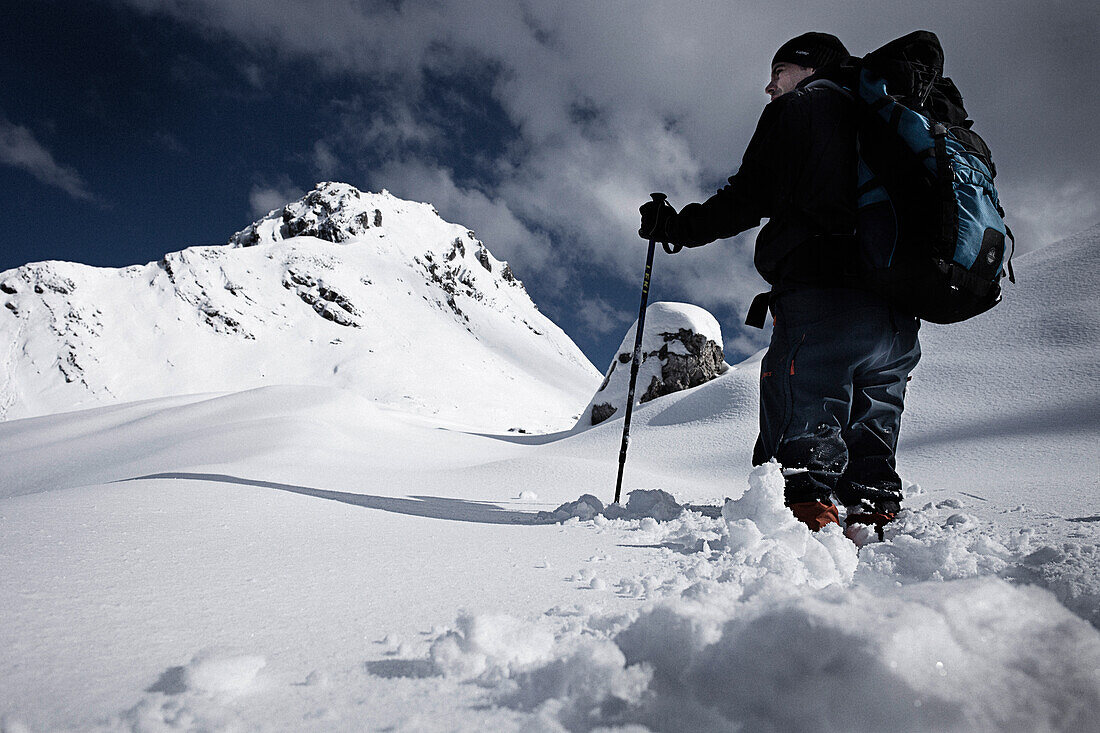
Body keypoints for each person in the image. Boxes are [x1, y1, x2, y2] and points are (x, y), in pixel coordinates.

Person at [638, 32, 921, 539]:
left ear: (810, 69)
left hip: (824, 291)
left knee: (805, 399)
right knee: (876, 405)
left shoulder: (806, 106)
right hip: (899, 305)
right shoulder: (887, 116)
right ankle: (875, 514)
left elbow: (749, 195)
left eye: (779, 72)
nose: (770, 87)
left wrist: (676, 227)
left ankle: (803, 521)